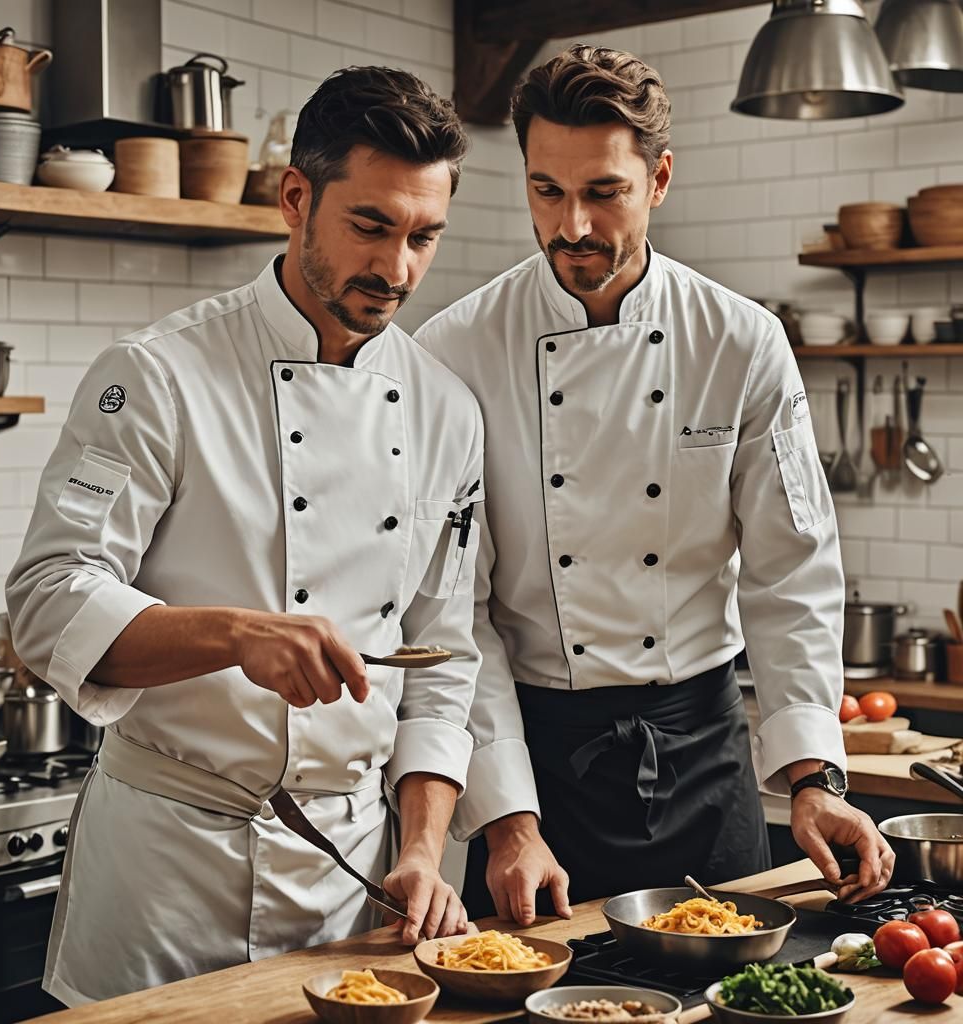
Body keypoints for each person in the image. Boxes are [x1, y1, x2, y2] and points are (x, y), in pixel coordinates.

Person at [6, 66, 484, 1006]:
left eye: (423, 236)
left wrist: (424, 851)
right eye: (371, 226)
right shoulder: (158, 374)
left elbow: (442, 658)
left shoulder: (446, 411)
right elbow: (48, 600)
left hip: (349, 881)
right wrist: (237, 634)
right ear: (295, 199)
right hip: (167, 875)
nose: (396, 269)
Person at [417, 44, 894, 926]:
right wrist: (508, 819)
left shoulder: (739, 342)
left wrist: (813, 779)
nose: (572, 225)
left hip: (704, 753)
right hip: (537, 769)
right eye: (546, 190)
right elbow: (455, 612)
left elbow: (791, 571)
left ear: (660, 179)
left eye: (604, 192)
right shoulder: (453, 353)